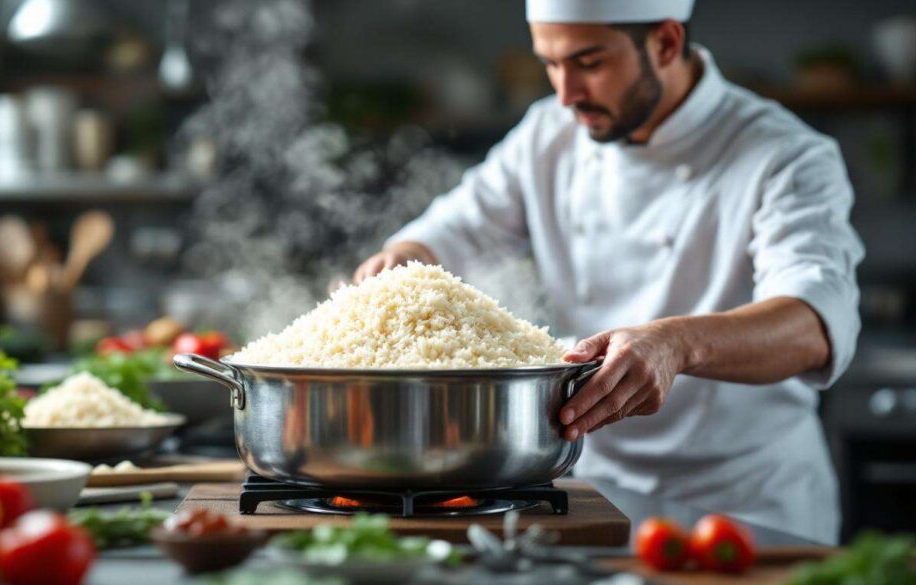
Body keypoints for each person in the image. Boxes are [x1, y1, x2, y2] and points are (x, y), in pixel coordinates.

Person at [353, 0, 863, 544]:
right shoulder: (547, 136)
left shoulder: (785, 155)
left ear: (666, 43)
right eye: (550, 63)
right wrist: (401, 261)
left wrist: (676, 344)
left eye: (589, 62)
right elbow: (450, 231)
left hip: (749, 502)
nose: (566, 92)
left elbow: (813, 325)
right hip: (597, 493)